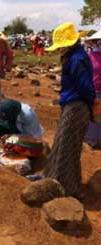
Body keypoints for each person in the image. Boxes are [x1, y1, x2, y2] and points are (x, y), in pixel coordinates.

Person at [43, 22, 96, 198]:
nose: (60, 49)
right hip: (73, 106)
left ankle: (66, 189)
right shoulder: (74, 56)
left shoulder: (76, 59)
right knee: (63, 145)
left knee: (67, 149)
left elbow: (85, 87)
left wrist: (90, 105)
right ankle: (55, 181)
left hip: (76, 107)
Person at [84, 30, 101, 149]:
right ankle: (93, 140)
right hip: (94, 91)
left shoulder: (89, 57)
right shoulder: (90, 57)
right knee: (95, 117)